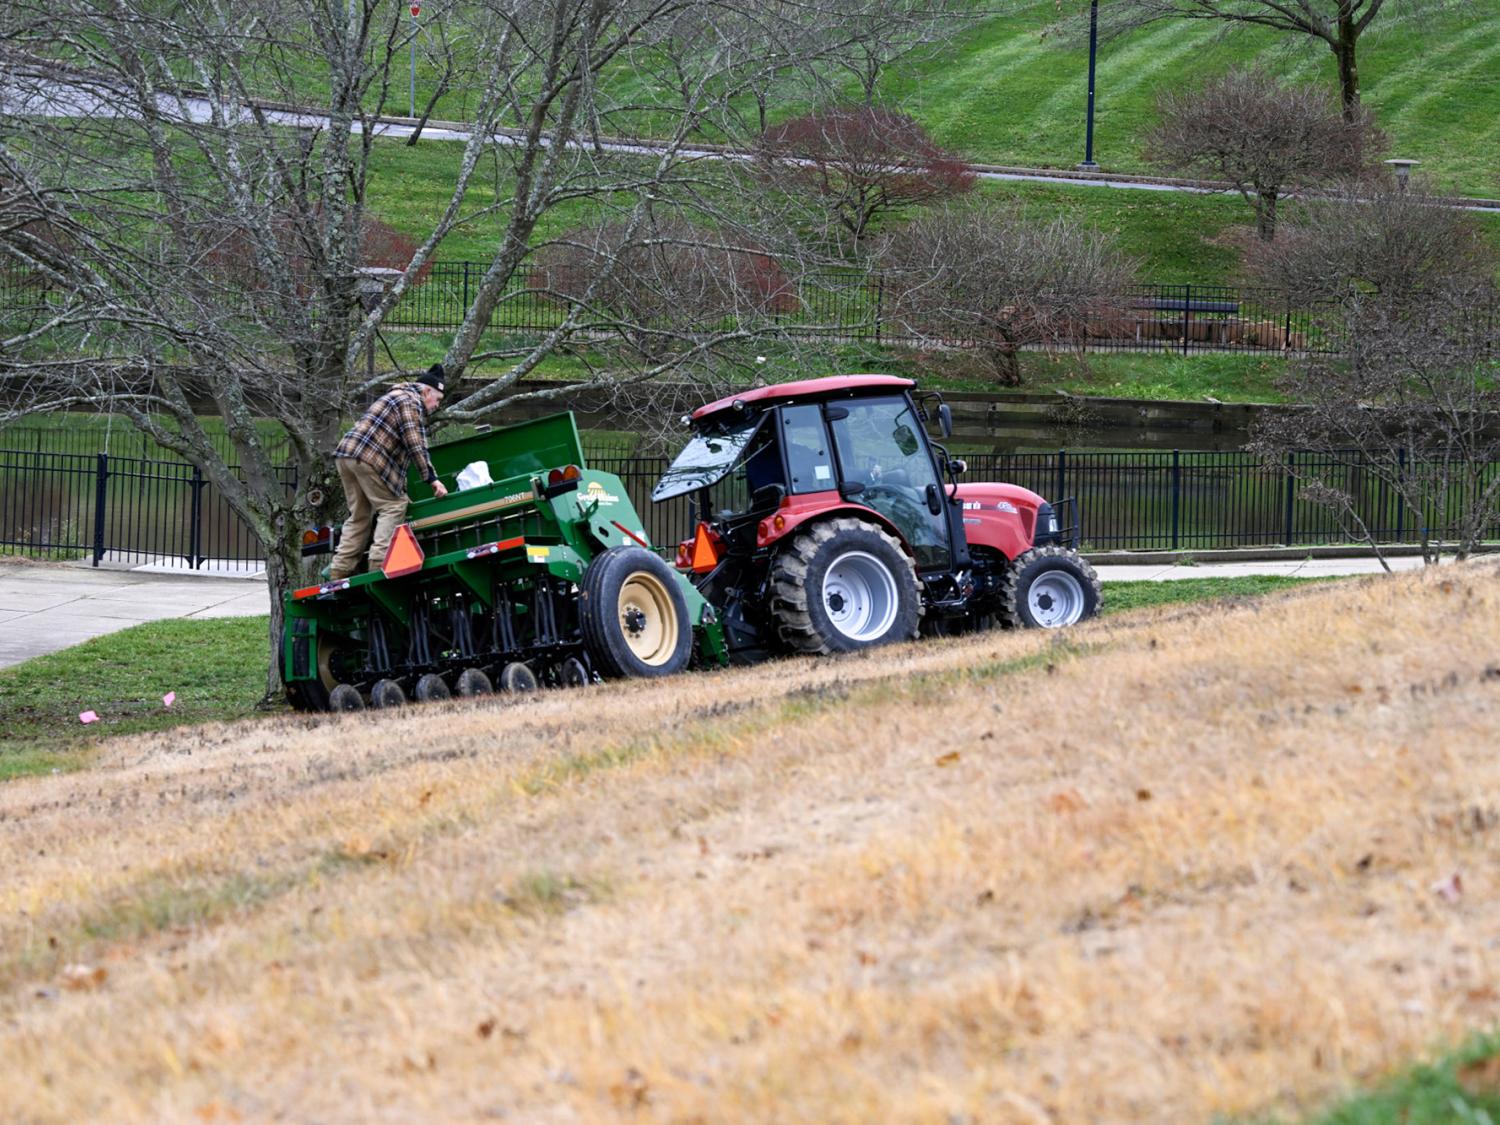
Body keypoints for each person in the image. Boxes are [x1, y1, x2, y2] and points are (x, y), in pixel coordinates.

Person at [327, 363, 450, 580]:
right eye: (437, 399)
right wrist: (431, 478)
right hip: (368, 458)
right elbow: (415, 443)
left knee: (360, 515)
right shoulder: (411, 402)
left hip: (346, 456)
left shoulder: (396, 396)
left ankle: (340, 570)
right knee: (393, 506)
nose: (437, 405)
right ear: (426, 391)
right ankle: (378, 567)